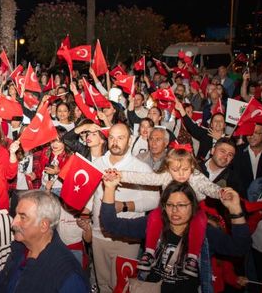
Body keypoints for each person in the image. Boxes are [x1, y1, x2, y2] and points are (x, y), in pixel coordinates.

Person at [100, 177, 251, 292]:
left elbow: (239, 248)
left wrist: (235, 209)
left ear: (193, 206)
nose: (174, 211)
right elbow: (110, 225)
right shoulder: (154, 224)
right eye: (170, 205)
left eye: (181, 205)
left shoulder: (205, 233)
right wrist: (109, 188)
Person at [115, 147, 224, 276]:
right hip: (168, 209)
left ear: (192, 167)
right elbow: (145, 178)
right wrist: (121, 175)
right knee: (154, 216)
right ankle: (149, 253)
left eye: (185, 169)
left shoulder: (196, 177)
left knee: (200, 219)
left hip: (193, 210)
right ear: (168, 168)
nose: (181, 174)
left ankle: (192, 258)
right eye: (175, 170)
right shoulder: (165, 176)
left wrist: (221, 192)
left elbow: (209, 187)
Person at [0, 190, 89, 292]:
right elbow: (2, 287)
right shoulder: (19, 249)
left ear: (44, 225)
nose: (14, 222)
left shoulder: (67, 274)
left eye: (23, 217)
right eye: (16, 215)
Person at [89, 123, 160, 293]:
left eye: (120, 138)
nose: (115, 142)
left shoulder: (141, 168)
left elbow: (155, 200)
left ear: (130, 141)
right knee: (103, 284)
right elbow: (91, 195)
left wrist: (127, 206)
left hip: (127, 238)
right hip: (99, 235)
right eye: (112, 137)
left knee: (122, 286)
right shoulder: (97, 164)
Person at [231, 123, 262, 197]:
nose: (251, 136)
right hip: (241, 201)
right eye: (249, 132)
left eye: (256, 133)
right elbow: (233, 180)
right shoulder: (237, 152)